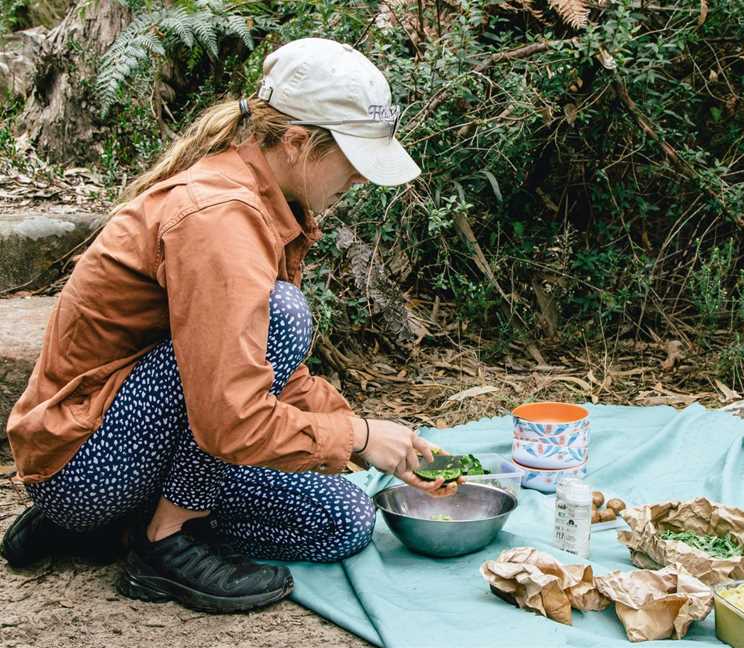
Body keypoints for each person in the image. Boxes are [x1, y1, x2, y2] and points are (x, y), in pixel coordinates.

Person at [1, 37, 452, 614]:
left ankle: (99, 528)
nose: (360, 181)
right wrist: (359, 438)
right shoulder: (221, 219)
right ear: (297, 143)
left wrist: (363, 432)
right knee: (283, 317)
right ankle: (159, 540)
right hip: (87, 460)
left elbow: (262, 374)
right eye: (354, 162)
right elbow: (229, 418)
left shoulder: (263, 198)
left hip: (138, 447)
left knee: (344, 520)